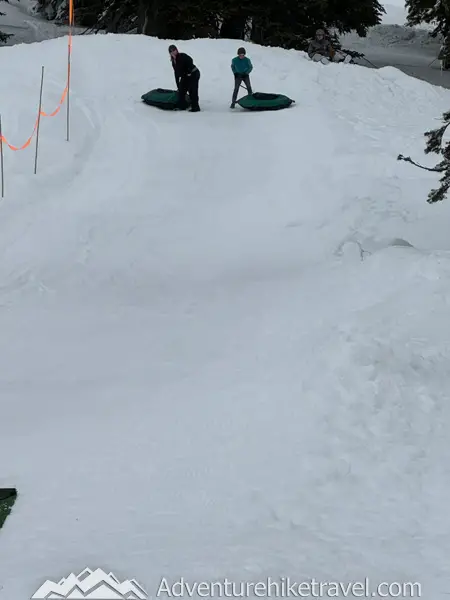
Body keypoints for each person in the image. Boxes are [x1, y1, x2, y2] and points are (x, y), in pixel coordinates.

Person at [168, 44, 201, 112]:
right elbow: (176, 74)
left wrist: (189, 71)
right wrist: (178, 85)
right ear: (170, 53)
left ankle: (195, 107)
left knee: (192, 90)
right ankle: (182, 106)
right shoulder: (173, 62)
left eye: (174, 50)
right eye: (171, 51)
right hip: (185, 76)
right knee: (181, 90)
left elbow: (190, 60)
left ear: (177, 50)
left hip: (193, 73)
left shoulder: (182, 56)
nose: (173, 52)